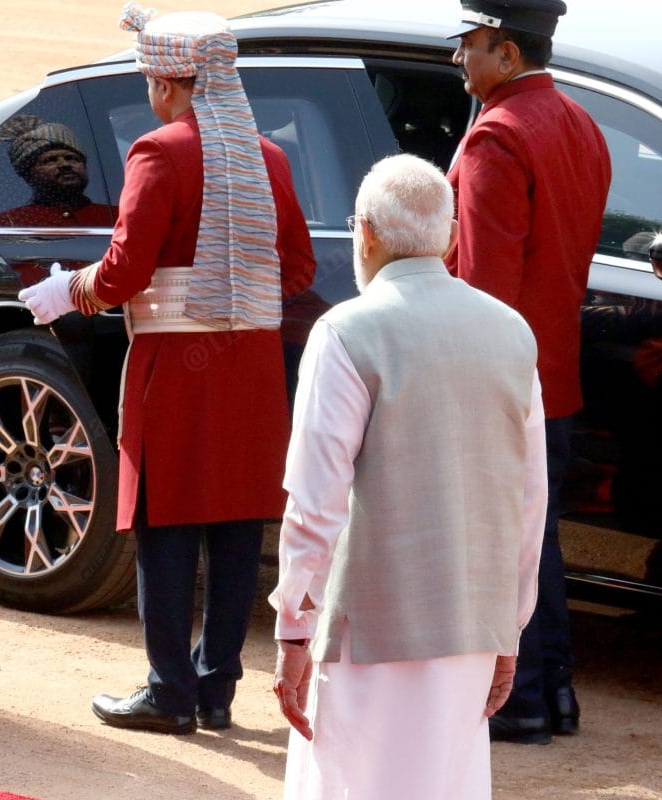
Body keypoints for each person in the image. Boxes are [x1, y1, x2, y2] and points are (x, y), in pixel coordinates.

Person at [20, 4, 314, 734]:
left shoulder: (158, 151)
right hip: (249, 369)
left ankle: (169, 690)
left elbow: (122, 276)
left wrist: (69, 291)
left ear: (169, 83)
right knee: (238, 529)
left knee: (167, 524)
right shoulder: (269, 158)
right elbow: (299, 266)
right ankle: (217, 688)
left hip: (177, 367)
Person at [270, 153, 547, 799]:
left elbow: (315, 500)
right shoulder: (511, 331)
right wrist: (509, 623)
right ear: (451, 237)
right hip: (472, 618)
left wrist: (292, 625)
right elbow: (529, 497)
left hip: (368, 625)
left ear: (364, 233)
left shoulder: (346, 330)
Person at [445, 0, 612, 744]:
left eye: (469, 44)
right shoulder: (579, 122)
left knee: (505, 544)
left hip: (503, 379)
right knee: (535, 539)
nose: (458, 59)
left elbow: (482, 287)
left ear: (507, 53)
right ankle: (554, 693)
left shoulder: (497, 136)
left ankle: (521, 701)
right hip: (556, 373)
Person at [0, 115, 116, 227]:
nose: (64, 165)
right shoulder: (6, 224)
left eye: (71, 158)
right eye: (50, 160)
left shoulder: (120, 217)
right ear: (28, 174)